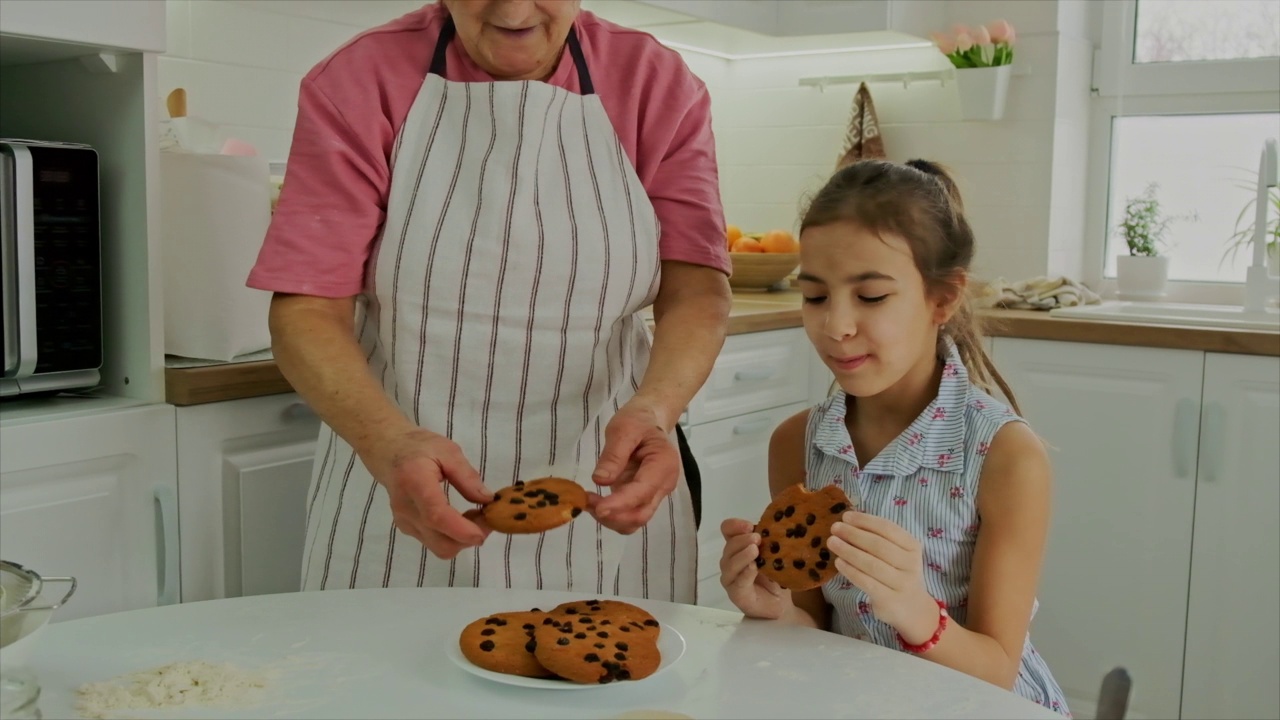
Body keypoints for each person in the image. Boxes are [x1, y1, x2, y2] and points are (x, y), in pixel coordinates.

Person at [247, 0, 732, 602]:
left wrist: (655, 412)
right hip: (396, 488)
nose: (512, 8)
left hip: (607, 485)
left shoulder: (654, 84)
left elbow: (698, 291)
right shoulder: (359, 80)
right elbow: (306, 309)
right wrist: (388, 443)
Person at [718, 159, 1070, 716]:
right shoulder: (798, 443)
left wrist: (912, 608)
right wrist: (774, 609)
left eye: (872, 297)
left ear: (943, 298)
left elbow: (997, 671)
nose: (836, 325)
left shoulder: (1004, 457)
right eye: (815, 296)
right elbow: (815, 622)